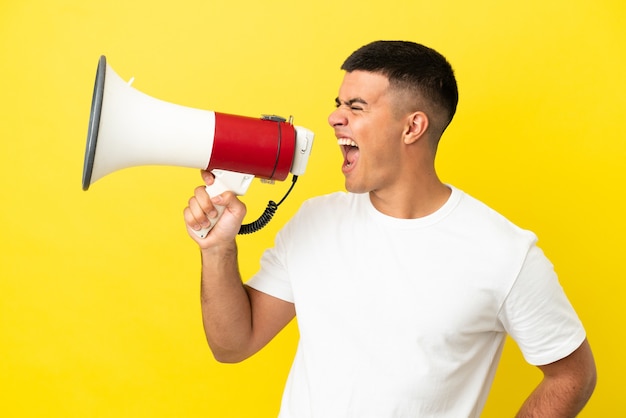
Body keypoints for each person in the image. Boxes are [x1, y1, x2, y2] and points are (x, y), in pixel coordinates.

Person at [183, 40, 596, 417]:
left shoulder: (504, 253)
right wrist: (217, 249)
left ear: (412, 127)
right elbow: (233, 345)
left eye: (356, 106)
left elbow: (573, 374)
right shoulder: (314, 221)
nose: (333, 117)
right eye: (338, 103)